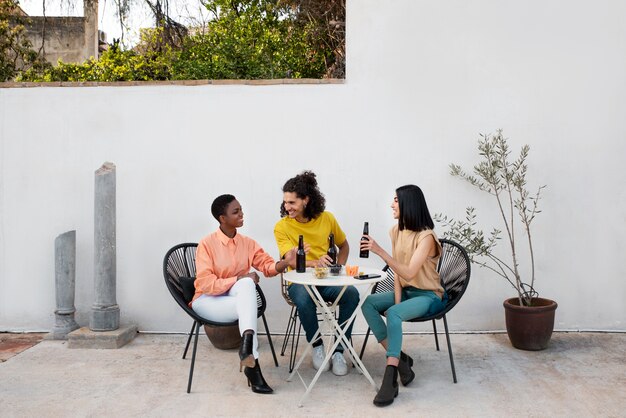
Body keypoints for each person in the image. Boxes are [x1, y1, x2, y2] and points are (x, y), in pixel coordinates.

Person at [192, 194, 299, 394]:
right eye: (236, 211)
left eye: (241, 209)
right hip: (207, 302)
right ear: (222, 219)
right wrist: (239, 279)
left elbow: (267, 267)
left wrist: (285, 263)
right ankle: (250, 360)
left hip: (237, 300)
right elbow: (205, 284)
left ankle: (249, 356)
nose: (242, 214)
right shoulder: (206, 244)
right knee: (246, 285)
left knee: (247, 286)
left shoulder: (247, 243)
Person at [360, 185, 447, 407]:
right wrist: (397, 304)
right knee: (368, 304)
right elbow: (399, 273)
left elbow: (409, 271)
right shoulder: (396, 231)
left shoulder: (426, 237)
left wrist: (379, 250)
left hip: (429, 296)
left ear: (409, 203)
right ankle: (401, 361)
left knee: (395, 313)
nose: (392, 204)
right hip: (408, 293)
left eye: (396, 200)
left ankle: (390, 378)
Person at [274, 170, 359, 376]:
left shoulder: (327, 219)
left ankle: (339, 349)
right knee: (303, 298)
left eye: (292, 202)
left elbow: (344, 246)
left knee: (352, 294)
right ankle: (317, 345)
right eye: (285, 202)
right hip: (299, 282)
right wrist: (315, 263)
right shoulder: (282, 227)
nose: (287, 207)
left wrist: (337, 268)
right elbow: (290, 260)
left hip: (328, 281)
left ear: (306, 200)